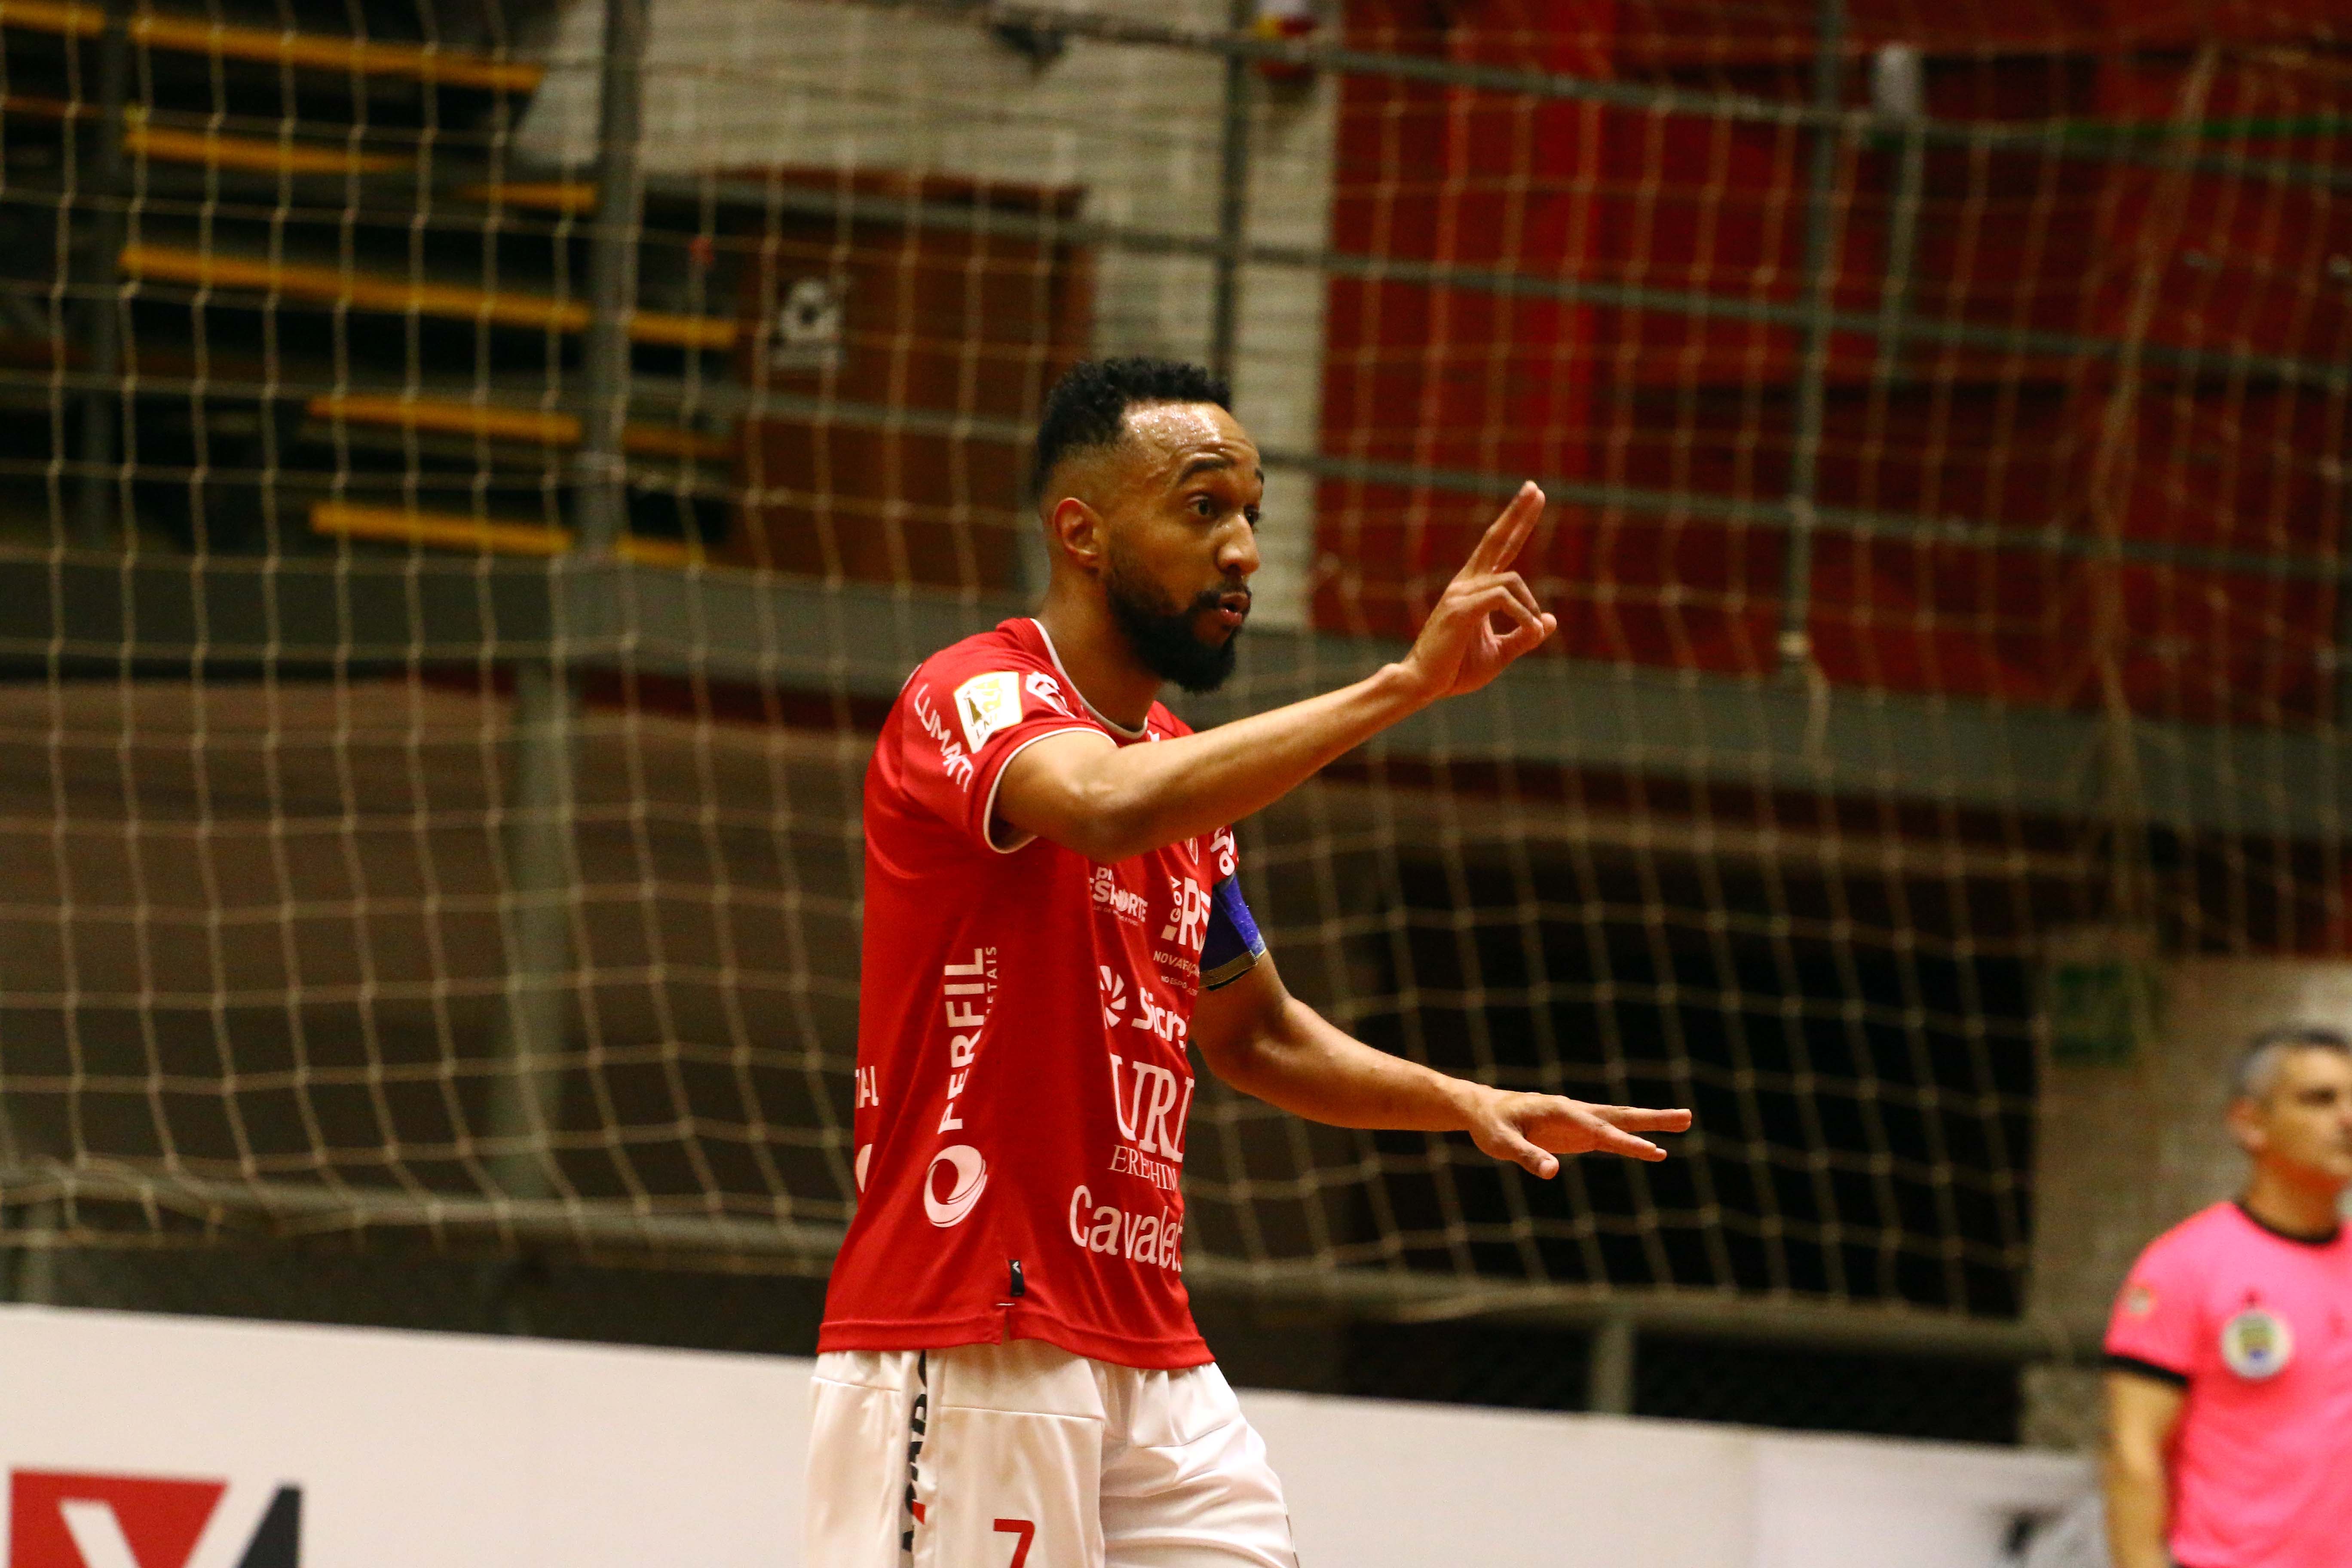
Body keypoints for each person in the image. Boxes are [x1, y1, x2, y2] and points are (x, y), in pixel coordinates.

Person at [802, 357, 1692, 1567]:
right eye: (1203, 508)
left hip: (1148, 1340)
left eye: (1252, 516)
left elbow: (1257, 1032)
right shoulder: (971, 692)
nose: (1244, 552)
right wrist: (1402, 687)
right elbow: (1103, 807)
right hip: (975, 1321)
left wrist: (1464, 1101)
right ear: (1082, 532)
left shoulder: (1183, 771)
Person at [2101, 1025, 2352, 1568]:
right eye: (2319, 1100)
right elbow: (2133, 1452)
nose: (2348, 1119)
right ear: (2250, 1123)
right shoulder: (2185, 1265)